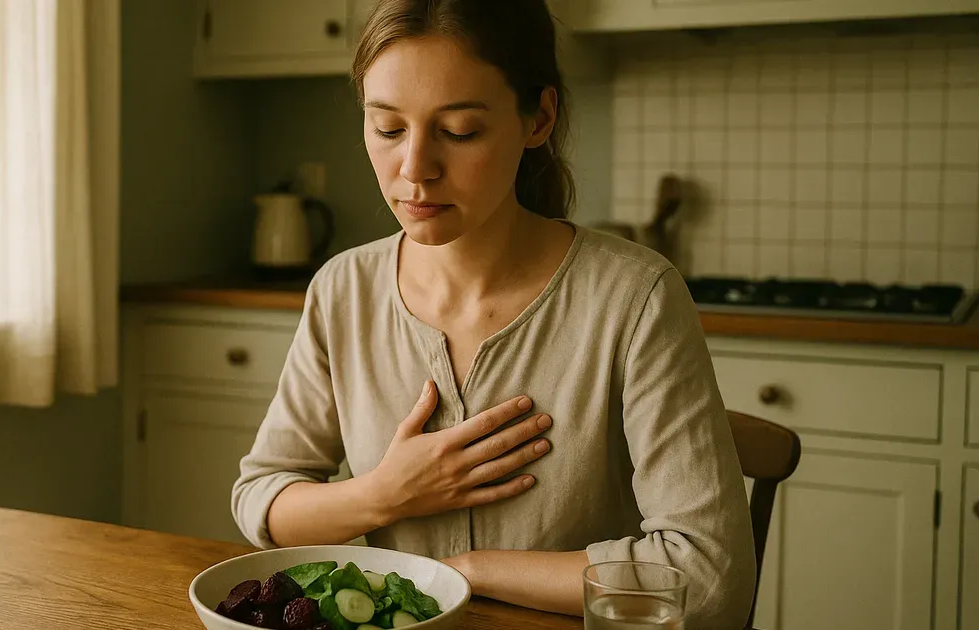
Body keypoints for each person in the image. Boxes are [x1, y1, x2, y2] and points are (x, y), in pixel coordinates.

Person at [231, 0, 756, 626]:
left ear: (539, 117)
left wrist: (467, 572)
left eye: (459, 131)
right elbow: (261, 500)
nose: (415, 169)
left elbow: (708, 575)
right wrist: (384, 494)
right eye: (389, 128)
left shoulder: (635, 296)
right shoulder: (342, 288)